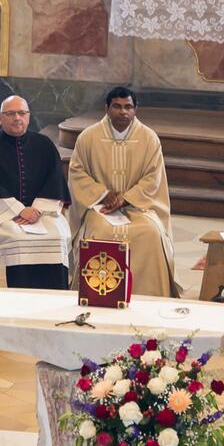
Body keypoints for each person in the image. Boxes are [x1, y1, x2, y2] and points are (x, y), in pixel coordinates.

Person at [67, 87, 180, 297]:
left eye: (128, 107)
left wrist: (126, 198)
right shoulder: (88, 137)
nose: (123, 112)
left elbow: (153, 177)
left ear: (136, 109)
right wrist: (103, 194)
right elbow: (77, 172)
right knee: (100, 234)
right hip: (101, 208)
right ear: (107, 108)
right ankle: (98, 296)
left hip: (139, 207)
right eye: (117, 107)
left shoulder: (149, 138)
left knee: (151, 234)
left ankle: (150, 296)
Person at [0, 96, 71, 289]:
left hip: (41, 213)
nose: (17, 118)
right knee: (17, 237)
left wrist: (38, 210)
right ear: (0, 118)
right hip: (0, 215)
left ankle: (56, 297)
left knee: (56, 235)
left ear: (29, 117)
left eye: (22, 113)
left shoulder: (45, 145)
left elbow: (54, 181)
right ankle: (16, 298)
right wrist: (19, 210)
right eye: (10, 113)